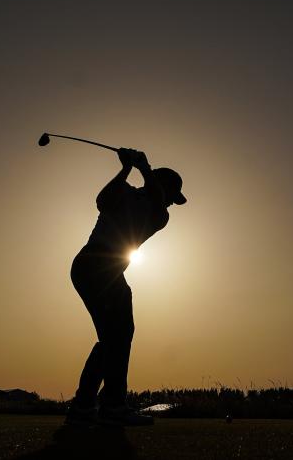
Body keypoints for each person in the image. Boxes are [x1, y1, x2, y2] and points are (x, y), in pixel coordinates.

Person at [65, 148, 186, 427]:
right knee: (117, 336)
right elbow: (102, 200)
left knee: (114, 337)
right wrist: (126, 168)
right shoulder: (127, 191)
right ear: (166, 188)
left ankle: (85, 406)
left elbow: (156, 199)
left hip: (104, 271)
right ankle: (112, 406)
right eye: (172, 197)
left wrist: (142, 167)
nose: (170, 204)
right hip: (93, 264)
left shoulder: (159, 215)